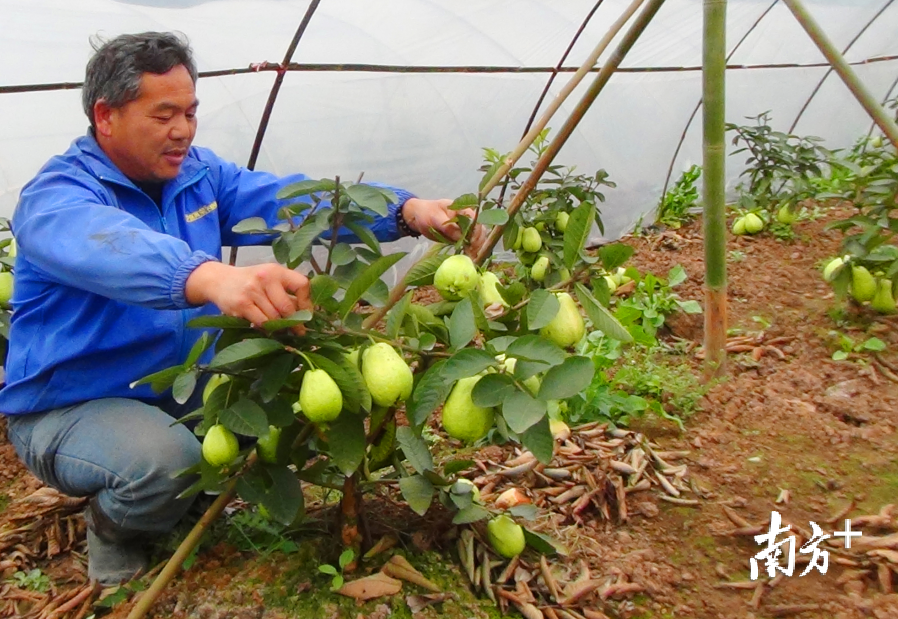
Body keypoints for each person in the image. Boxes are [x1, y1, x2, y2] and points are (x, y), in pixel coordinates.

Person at [0, 32, 484, 585]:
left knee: (276, 395)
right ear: (106, 116)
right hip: (69, 406)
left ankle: (185, 500)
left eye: (190, 112)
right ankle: (114, 531)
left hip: (179, 387)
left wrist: (403, 210)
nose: (183, 130)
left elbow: (288, 201)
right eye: (164, 115)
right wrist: (208, 276)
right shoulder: (55, 197)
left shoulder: (197, 176)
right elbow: (103, 243)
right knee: (166, 461)